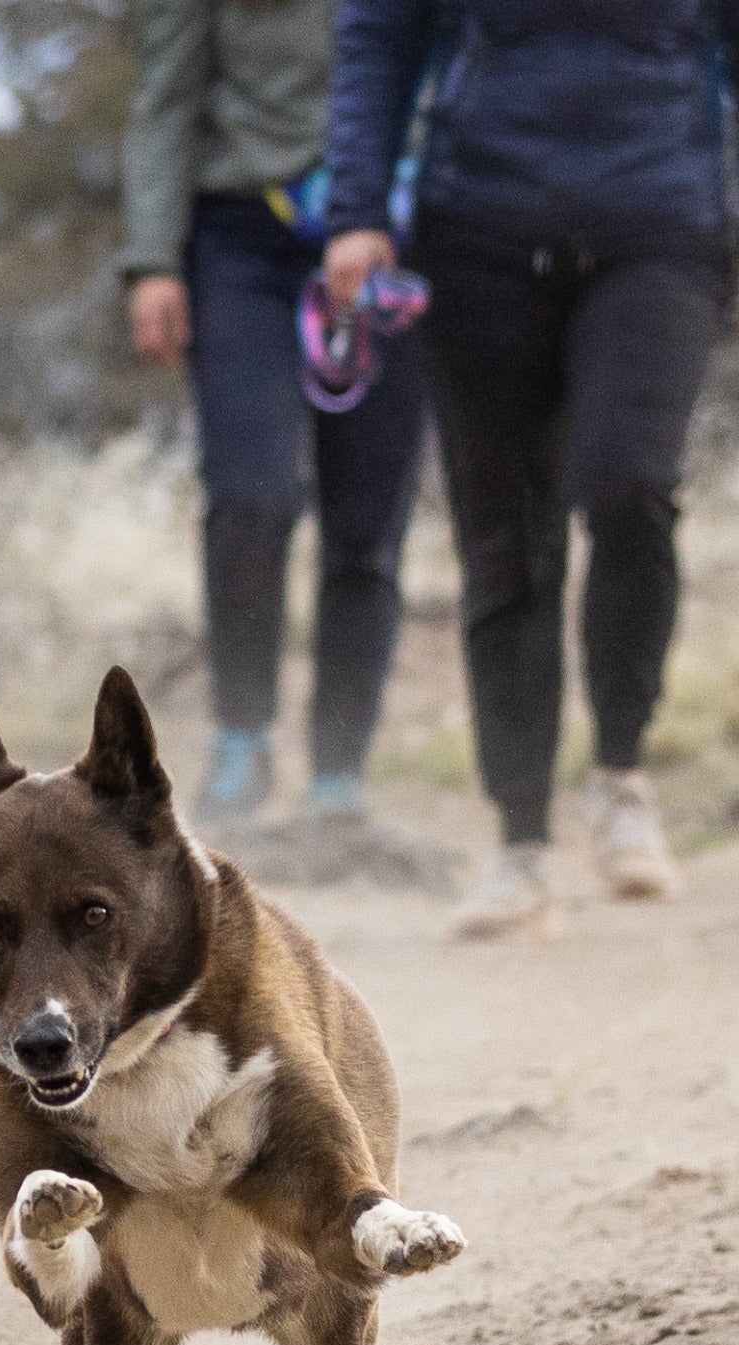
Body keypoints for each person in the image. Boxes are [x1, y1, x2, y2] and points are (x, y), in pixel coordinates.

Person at [325, 0, 739, 936]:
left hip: (662, 232)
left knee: (629, 484)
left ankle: (622, 775)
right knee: (505, 539)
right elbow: (379, 36)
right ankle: (520, 848)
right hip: (480, 232)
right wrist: (355, 208)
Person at [122, 0, 428, 824]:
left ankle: (339, 776)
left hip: (392, 237)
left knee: (368, 523)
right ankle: (241, 738)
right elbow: (165, 100)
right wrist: (152, 258)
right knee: (252, 497)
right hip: (244, 240)